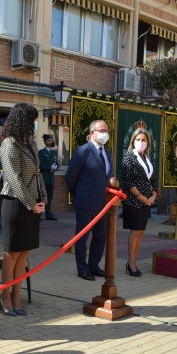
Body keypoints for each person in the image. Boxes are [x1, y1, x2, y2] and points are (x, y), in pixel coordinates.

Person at [0, 103, 46, 316]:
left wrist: (42, 199)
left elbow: (38, 173)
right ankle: (5, 295)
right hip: (15, 203)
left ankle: (18, 295)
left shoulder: (32, 144)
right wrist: (31, 202)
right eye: (33, 121)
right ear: (23, 121)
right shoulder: (8, 144)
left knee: (24, 252)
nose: (35, 125)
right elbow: (13, 178)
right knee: (12, 252)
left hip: (33, 204)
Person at [65, 120, 113, 281]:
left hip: (102, 203)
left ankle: (94, 265)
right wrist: (78, 194)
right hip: (85, 201)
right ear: (92, 133)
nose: (105, 133)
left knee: (100, 236)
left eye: (106, 130)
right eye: (101, 130)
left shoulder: (107, 151)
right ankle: (82, 268)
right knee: (82, 236)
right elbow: (71, 176)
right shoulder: (83, 151)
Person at [121, 128, 157, 277]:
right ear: (133, 141)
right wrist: (141, 197)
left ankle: (134, 261)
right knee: (135, 231)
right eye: (138, 140)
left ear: (148, 143)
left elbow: (153, 179)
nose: (140, 142)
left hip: (147, 201)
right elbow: (128, 181)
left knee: (141, 232)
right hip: (134, 200)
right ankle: (131, 263)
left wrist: (153, 195)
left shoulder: (148, 158)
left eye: (143, 140)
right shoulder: (129, 157)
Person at [38, 134, 59, 221]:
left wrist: (56, 167)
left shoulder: (54, 152)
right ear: (46, 141)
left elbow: (57, 164)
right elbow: (40, 165)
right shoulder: (41, 152)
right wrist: (50, 167)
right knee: (42, 197)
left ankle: (48, 213)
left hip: (51, 179)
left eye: (52, 140)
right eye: (50, 140)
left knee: (49, 197)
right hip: (44, 178)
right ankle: (38, 214)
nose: (52, 142)